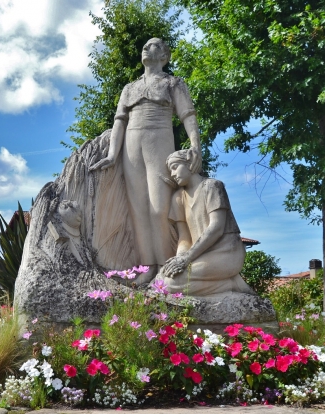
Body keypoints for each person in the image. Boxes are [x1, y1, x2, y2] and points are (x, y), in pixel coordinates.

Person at [90, 38, 202, 284]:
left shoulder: (173, 83)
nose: (146, 48)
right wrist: (111, 154)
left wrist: (195, 144)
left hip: (159, 142)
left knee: (158, 208)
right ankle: (147, 267)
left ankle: (165, 265)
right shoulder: (129, 88)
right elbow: (119, 121)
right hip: (132, 147)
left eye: (154, 45)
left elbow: (187, 114)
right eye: (145, 45)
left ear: (164, 56)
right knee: (138, 209)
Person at [161, 149, 254, 297]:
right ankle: (226, 283)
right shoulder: (178, 198)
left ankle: (231, 284)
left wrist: (186, 259)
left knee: (171, 284)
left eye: (175, 167)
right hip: (199, 255)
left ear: (190, 164)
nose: (172, 174)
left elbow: (216, 227)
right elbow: (184, 238)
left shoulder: (212, 186)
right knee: (162, 278)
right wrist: (179, 260)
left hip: (226, 252)